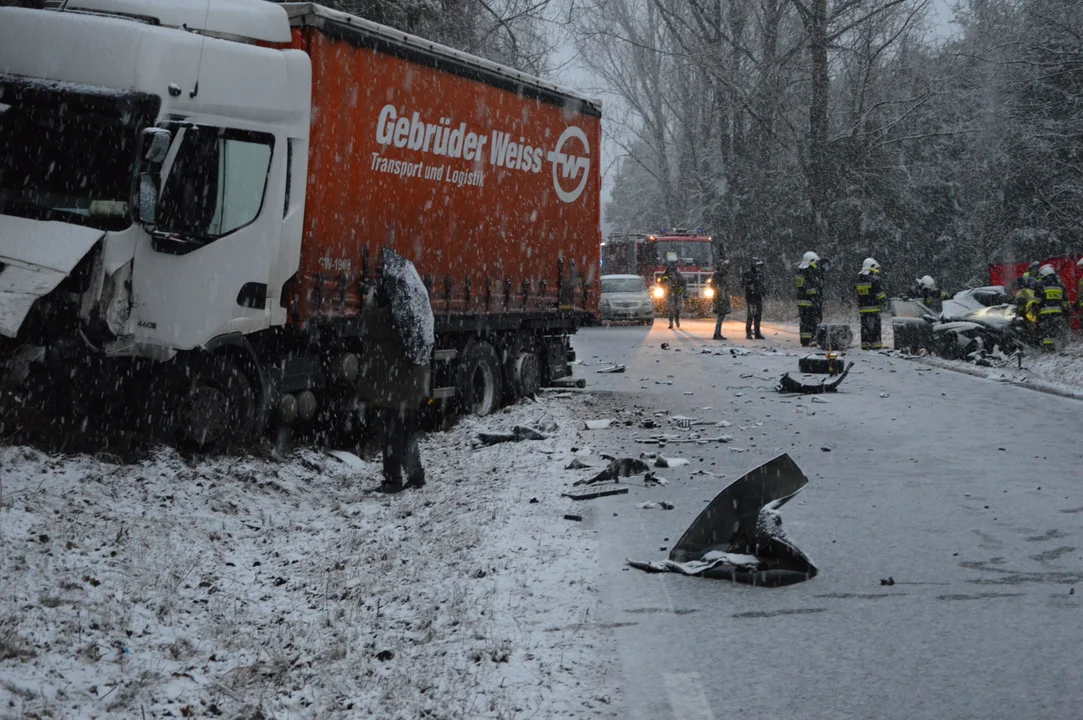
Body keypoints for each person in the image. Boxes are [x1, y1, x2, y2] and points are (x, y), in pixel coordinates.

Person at [856, 257, 887, 350]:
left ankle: (865, 344)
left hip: (863, 308)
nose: (877, 271)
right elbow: (880, 294)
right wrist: (884, 302)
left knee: (865, 327)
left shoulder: (860, 279)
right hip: (874, 307)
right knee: (875, 328)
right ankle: (875, 345)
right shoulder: (874, 279)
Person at [795, 251, 825, 347]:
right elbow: (811, 287)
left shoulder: (800, 271)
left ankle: (805, 340)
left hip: (802, 300)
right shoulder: (809, 272)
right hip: (810, 301)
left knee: (804, 321)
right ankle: (812, 338)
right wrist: (815, 298)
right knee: (811, 321)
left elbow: (803, 287)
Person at [1037, 264, 1067, 352]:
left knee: (1046, 330)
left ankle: (1048, 348)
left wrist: (1034, 305)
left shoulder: (1041, 284)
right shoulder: (1060, 285)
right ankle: (1060, 346)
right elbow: (1065, 299)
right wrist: (1065, 309)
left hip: (1045, 312)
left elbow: (1037, 299)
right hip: (1058, 312)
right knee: (1056, 329)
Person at [660, 254, 687, 329]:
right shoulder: (666, 274)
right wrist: (665, 282)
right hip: (669, 293)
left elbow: (684, 283)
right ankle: (671, 322)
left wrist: (681, 291)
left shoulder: (679, 276)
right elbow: (661, 281)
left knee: (677, 308)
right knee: (670, 309)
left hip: (677, 293)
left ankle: (677, 320)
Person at [742, 257, 766, 340]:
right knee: (751, 315)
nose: (758, 268)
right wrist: (751, 286)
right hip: (751, 297)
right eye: (757, 266)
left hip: (758, 297)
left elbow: (762, 284)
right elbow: (744, 285)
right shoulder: (748, 274)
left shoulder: (760, 274)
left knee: (758, 315)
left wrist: (763, 291)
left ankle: (757, 332)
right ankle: (748, 333)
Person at [711, 258, 732, 339]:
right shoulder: (718, 274)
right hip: (720, 297)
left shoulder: (722, 274)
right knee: (721, 315)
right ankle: (717, 333)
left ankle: (717, 333)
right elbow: (714, 286)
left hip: (722, 297)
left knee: (722, 315)